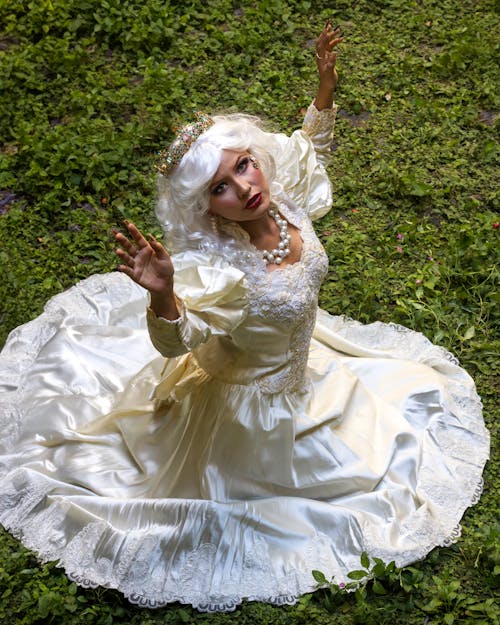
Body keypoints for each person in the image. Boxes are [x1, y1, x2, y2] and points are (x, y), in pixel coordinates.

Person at [0, 21, 489, 612]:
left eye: (243, 167)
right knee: (317, 495)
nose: (244, 188)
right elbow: (181, 339)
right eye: (220, 188)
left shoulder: (280, 199)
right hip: (249, 409)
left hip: (305, 365)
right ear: (204, 207)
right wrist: (162, 294)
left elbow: (311, 151)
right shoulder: (221, 269)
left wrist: (325, 88)